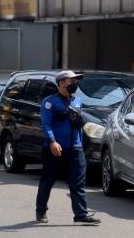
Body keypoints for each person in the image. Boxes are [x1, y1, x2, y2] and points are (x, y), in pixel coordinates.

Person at [36, 70, 101, 225]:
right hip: (55, 148)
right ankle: (41, 211)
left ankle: (81, 214)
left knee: (78, 182)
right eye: (71, 81)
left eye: (75, 81)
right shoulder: (49, 101)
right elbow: (46, 123)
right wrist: (52, 141)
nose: (75, 84)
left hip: (75, 148)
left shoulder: (77, 101)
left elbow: (78, 124)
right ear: (61, 83)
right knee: (48, 180)